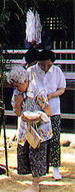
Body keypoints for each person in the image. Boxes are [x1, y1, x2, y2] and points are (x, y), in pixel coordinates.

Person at [7, 66, 53, 192]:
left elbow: (48, 112)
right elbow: (17, 112)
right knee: (26, 155)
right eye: (14, 87)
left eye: (17, 86)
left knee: (36, 156)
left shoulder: (38, 90)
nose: (16, 89)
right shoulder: (17, 93)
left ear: (25, 82)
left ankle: (35, 185)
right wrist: (18, 102)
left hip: (39, 129)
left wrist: (34, 117)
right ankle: (34, 181)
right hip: (26, 129)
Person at [27, 50, 66, 180]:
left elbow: (62, 88)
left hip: (53, 108)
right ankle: (39, 170)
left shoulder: (57, 71)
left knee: (54, 138)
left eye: (48, 65)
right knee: (38, 139)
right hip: (36, 110)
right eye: (43, 65)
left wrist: (52, 95)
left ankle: (55, 168)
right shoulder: (32, 71)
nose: (45, 68)